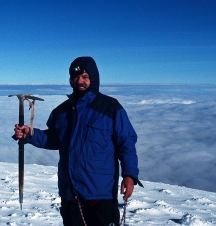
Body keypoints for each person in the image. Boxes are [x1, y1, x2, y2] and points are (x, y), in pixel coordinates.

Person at [14, 56, 142, 226]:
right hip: (70, 194)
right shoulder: (61, 111)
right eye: (76, 77)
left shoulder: (110, 107)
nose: (80, 81)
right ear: (70, 80)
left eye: (85, 77)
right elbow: (54, 139)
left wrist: (129, 175)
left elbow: (126, 143)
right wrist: (30, 134)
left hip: (100, 195)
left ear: (93, 79)